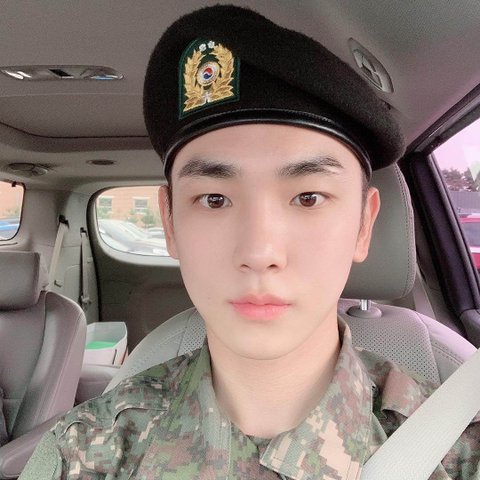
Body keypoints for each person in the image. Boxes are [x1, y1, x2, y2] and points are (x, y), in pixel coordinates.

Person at [20, 5, 479, 479]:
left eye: (308, 197)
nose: (259, 253)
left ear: (363, 226)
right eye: (214, 199)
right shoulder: (85, 451)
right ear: (170, 223)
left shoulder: (456, 450)